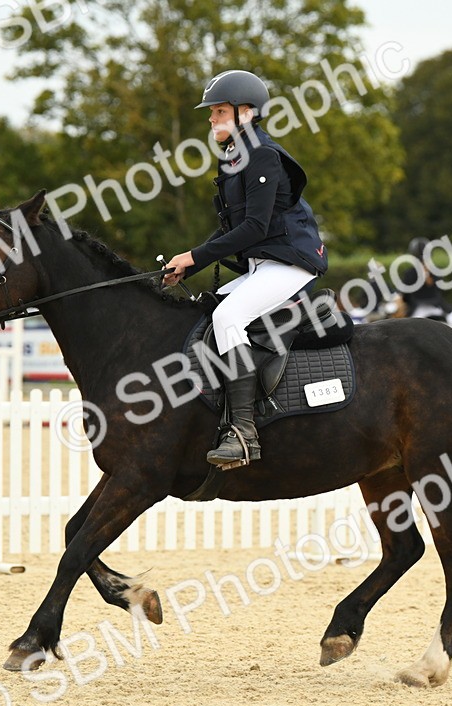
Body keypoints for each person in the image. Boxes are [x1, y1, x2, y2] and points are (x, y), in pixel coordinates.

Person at [164, 69, 328, 467]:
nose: (211, 119)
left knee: (229, 316)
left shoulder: (263, 155)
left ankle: (243, 434)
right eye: (212, 112)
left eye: (219, 111)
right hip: (262, 267)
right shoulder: (235, 158)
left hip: (290, 264)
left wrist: (195, 256)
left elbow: (254, 227)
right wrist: (189, 264)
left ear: (247, 113)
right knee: (204, 310)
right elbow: (233, 229)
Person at [401, 237, 452, 336]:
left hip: (436, 306)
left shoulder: (433, 270)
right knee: (408, 333)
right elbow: (405, 294)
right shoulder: (410, 273)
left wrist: (427, 273)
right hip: (419, 307)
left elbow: (434, 285)